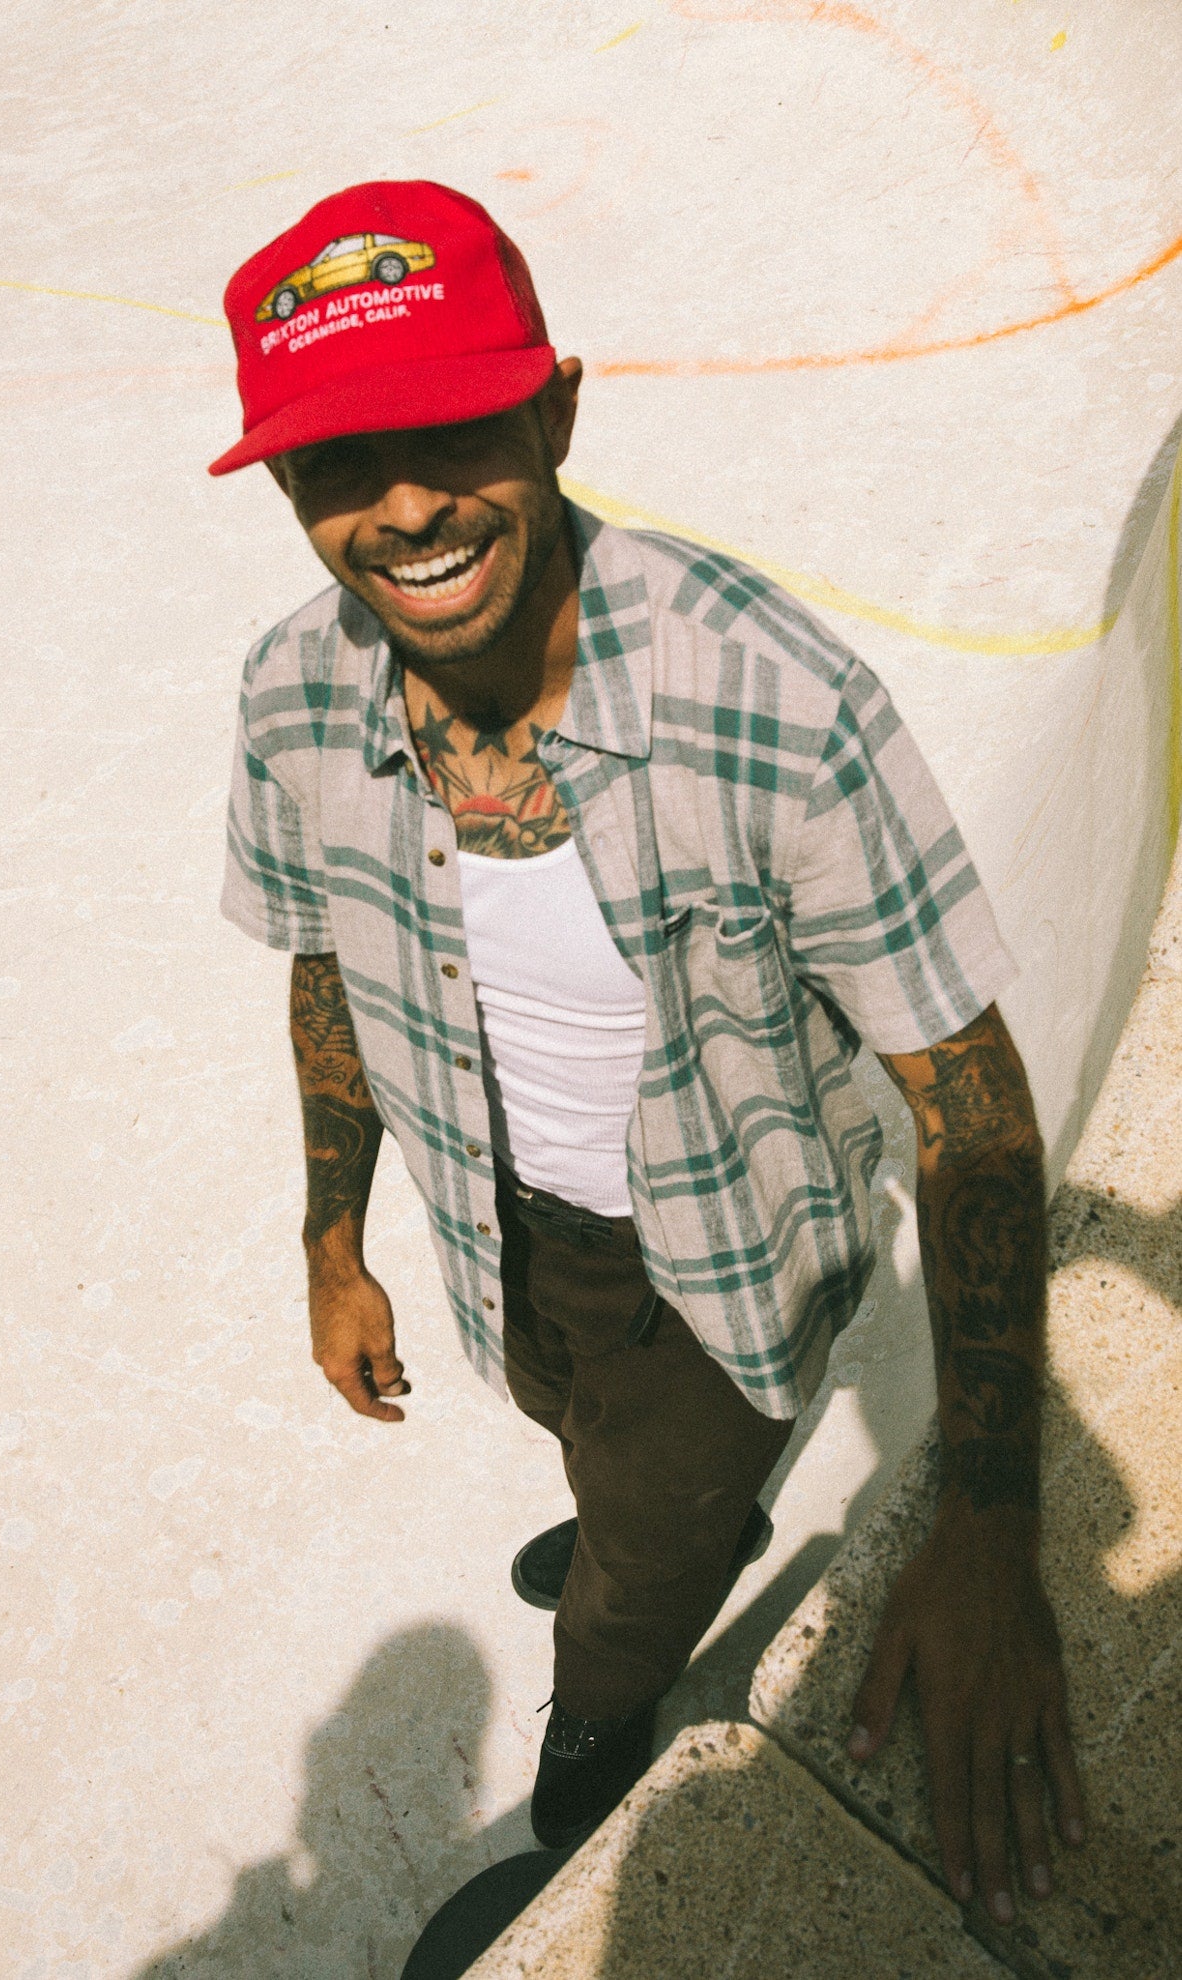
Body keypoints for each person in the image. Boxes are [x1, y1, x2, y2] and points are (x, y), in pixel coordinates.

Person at [208, 178, 1085, 1914]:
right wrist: (331, 1239)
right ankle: (640, 1513)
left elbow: (970, 1110)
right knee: (568, 1418)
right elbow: (323, 957)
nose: (404, 508)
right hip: (504, 1231)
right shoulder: (294, 691)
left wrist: (989, 1528)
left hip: (717, 1270)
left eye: (451, 431)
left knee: (626, 1584)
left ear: (554, 413)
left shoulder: (770, 702)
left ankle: (607, 1707)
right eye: (335, 463)